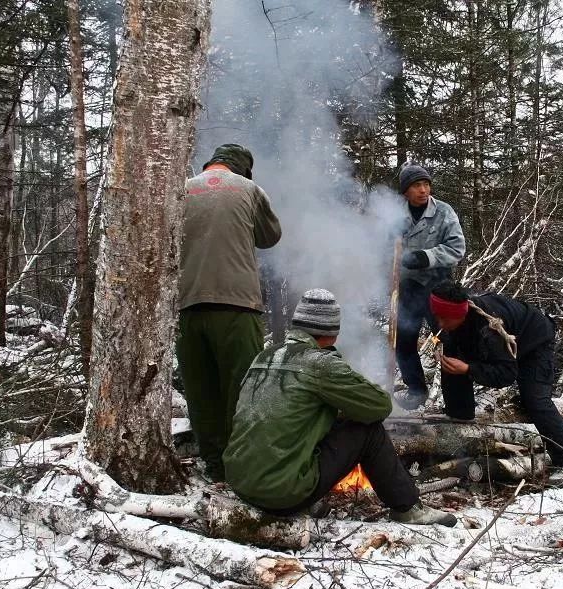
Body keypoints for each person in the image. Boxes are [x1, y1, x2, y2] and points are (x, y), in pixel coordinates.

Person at [224, 289, 457, 526]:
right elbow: (378, 406)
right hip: (282, 495)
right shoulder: (320, 363)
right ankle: (407, 507)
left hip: (241, 485)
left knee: (311, 418)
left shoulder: (264, 356)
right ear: (333, 332)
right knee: (368, 430)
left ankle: (302, 493)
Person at [177, 144, 282, 482]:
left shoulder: (182, 189)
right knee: (243, 388)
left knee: (200, 390)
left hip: (188, 307)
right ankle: (245, 466)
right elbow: (270, 237)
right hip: (237, 306)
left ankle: (215, 466)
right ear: (243, 169)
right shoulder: (250, 189)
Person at [427, 281, 563, 486]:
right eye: (436, 317)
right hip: (498, 343)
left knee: (534, 400)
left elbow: (507, 375)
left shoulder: (489, 330)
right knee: (452, 358)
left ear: (460, 314)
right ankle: (459, 414)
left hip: (534, 342)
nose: (439, 323)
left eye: (443, 319)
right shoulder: (451, 317)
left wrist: (468, 369)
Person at [393, 163, 466, 410]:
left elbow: (457, 248)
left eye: (426, 184)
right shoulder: (394, 215)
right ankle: (415, 391)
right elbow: (382, 248)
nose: (423, 190)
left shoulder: (444, 212)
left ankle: (457, 400)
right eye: (416, 185)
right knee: (403, 340)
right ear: (405, 191)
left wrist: (425, 257)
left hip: (439, 288)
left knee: (450, 341)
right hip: (406, 287)